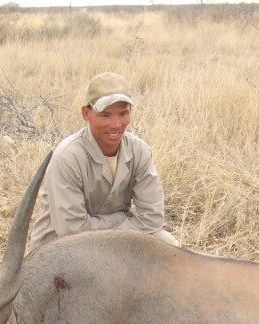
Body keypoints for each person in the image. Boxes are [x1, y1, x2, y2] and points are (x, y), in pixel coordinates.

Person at [28, 72, 178, 252]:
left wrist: (115, 230)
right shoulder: (67, 157)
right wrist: (121, 218)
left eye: (123, 114)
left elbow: (153, 219)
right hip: (62, 248)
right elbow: (72, 232)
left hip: (110, 242)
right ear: (86, 113)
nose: (116, 125)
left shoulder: (139, 150)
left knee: (167, 244)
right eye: (105, 115)